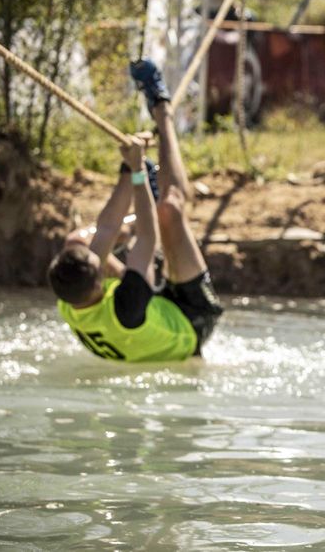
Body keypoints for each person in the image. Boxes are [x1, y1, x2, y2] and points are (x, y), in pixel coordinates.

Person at [47, 59, 223, 362]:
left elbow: (105, 229)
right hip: (190, 320)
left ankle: (147, 184)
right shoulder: (124, 307)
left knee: (77, 241)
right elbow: (147, 236)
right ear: (102, 279)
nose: (100, 255)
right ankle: (163, 110)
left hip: (147, 307)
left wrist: (127, 171)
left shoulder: (70, 298)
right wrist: (140, 172)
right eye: (99, 261)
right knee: (168, 210)